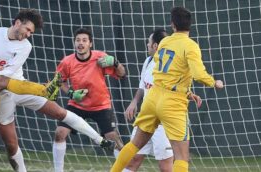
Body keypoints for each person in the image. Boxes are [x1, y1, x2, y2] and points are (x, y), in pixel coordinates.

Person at [0, 9, 113, 172]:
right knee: (11, 145)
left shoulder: (25, 46)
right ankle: (45, 90)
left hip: (20, 88)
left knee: (58, 112)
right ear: (17, 23)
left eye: (31, 32)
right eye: (27, 29)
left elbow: (8, 72)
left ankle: (99, 140)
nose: (29, 34)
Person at [111, 7, 224, 172]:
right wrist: (214, 82)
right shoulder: (190, 46)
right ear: (189, 25)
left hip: (153, 97)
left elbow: (163, 68)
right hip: (172, 102)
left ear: (173, 25)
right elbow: (199, 74)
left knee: (134, 144)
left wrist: (187, 91)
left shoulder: (164, 42)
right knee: (181, 158)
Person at [123, 29, 202, 172]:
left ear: (155, 46)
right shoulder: (148, 61)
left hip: (163, 122)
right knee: (132, 161)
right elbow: (143, 86)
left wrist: (189, 93)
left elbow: (176, 87)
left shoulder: (171, 64)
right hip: (147, 115)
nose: (147, 45)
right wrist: (134, 102)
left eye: (149, 42)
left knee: (165, 166)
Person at [52, 28, 126, 172]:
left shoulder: (100, 58)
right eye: (78, 40)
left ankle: (125, 170)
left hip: (101, 105)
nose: (81, 43)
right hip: (77, 105)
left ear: (90, 44)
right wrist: (72, 94)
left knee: (114, 138)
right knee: (59, 133)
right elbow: (59, 81)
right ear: (74, 43)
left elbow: (122, 75)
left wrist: (116, 63)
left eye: (84, 40)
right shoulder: (67, 61)